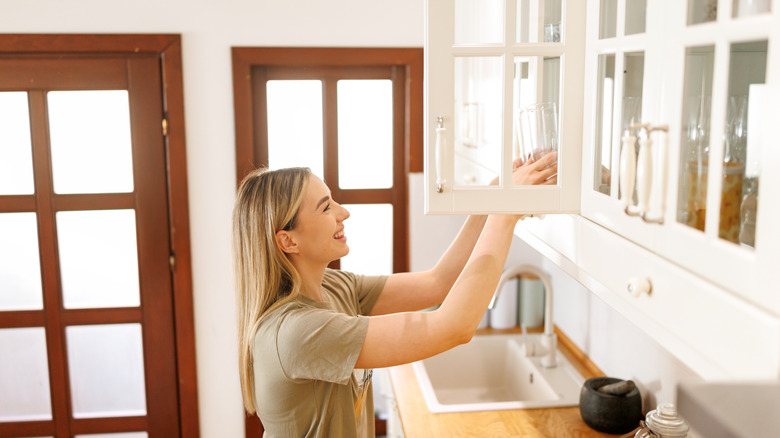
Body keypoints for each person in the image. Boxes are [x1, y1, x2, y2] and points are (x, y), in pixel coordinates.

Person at [233, 153, 558, 437]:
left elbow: (439, 282)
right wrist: (506, 214)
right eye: (325, 208)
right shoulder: (297, 332)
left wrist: (490, 202)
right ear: (288, 241)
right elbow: (454, 326)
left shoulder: (332, 286)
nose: (343, 212)